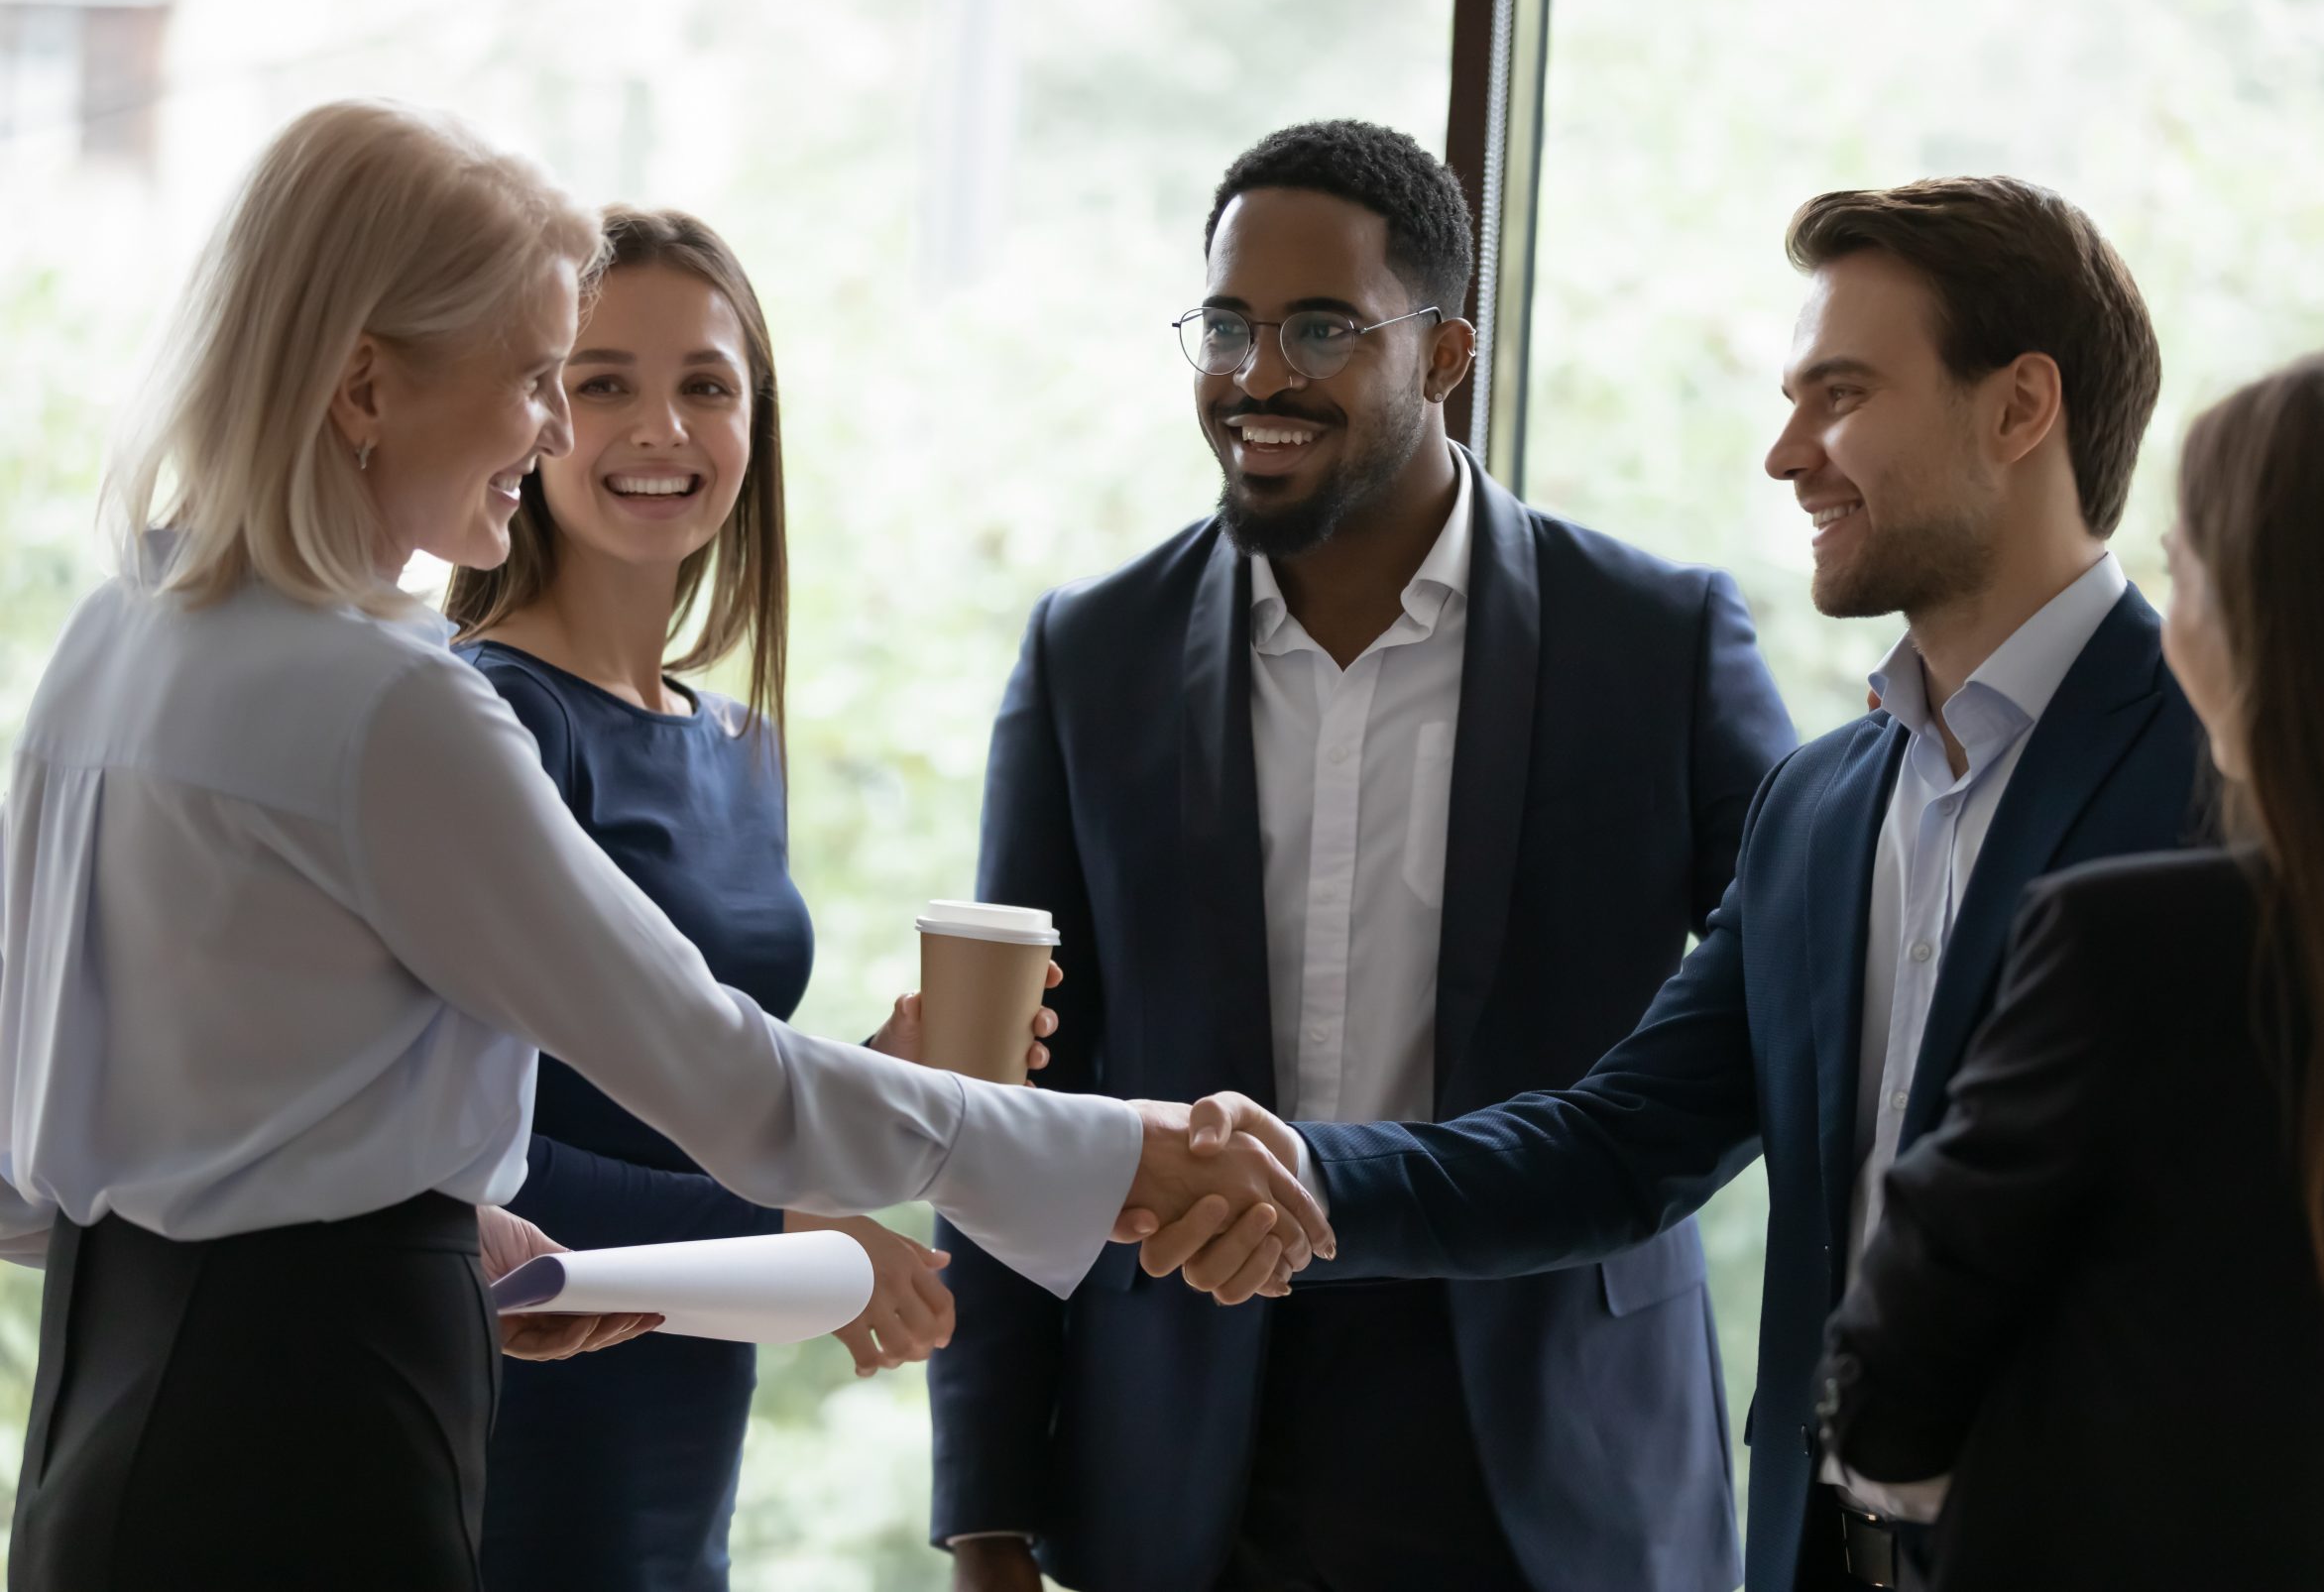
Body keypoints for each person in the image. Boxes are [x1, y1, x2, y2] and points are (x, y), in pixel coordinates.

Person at [0, 99, 1329, 1589]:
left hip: (101, 1425)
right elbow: (734, 1082)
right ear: (366, 385)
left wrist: (449, 1243)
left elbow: (39, 1156)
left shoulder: (122, 628)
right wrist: (1136, 1142)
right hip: (320, 1442)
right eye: (533, 378)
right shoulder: (393, 707)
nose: (557, 431)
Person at [1144, 175, 2205, 1592]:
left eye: (1839, 395)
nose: (1786, 454)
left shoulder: (2224, 771)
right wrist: (1301, 1167)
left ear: (2018, 409)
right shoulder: (1823, 808)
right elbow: (1616, 1147)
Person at [930, 119, 1794, 1592]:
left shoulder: (1657, 642)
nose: (1258, 375)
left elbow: (1793, 1000)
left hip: (1554, 1448)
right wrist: (987, 1511)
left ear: (1446, 352)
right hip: (1187, 1462)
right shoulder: (1094, 654)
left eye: (1321, 327)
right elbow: (1009, 1092)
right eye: (1227, 323)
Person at [1815, 344, 2324, 1590]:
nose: (2166, 617)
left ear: (2267, 626)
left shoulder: (2136, 947)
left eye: (2184, 566)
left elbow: (1887, 1389)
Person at [440, 207, 1034, 1591]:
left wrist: (885, 1080)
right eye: (603, 383)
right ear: (534, 414)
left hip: (682, 1434)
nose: (662, 427)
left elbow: (707, 1108)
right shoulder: (485, 718)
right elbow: (481, 1146)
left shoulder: (734, 743)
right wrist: (794, 1243)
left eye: (706, 383)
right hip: (512, 1415)